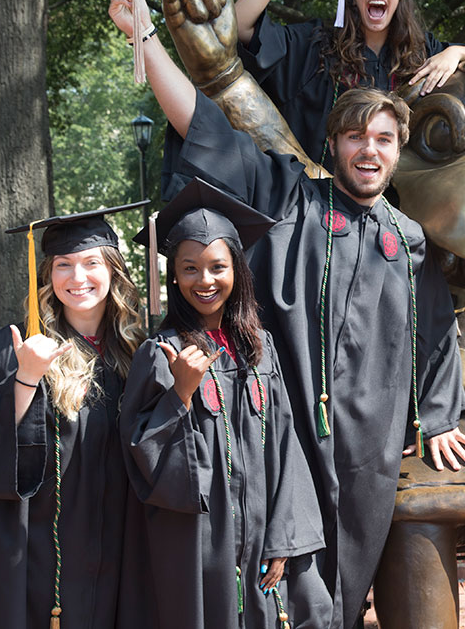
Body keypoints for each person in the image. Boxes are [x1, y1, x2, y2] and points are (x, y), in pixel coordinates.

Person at [110, 0, 465, 629]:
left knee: (343, 596)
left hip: (369, 455)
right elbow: (204, 126)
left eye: (383, 139)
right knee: (285, 598)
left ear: (398, 151)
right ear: (334, 145)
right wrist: (145, 36)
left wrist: (440, 416)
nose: (369, 150)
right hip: (284, 436)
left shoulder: (407, 240)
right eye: (356, 137)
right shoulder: (289, 197)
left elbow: (436, 334)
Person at [129, 0, 465, 169]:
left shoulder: (423, 53)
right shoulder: (316, 46)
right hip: (319, 204)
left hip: (403, 210)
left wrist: (458, 53)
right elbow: (239, 26)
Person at [121, 176, 326, 628]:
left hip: (267, 536)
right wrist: (180, 392)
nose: (205, 280)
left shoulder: (261, 348)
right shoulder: (161, 353)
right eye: (190, 268)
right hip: (201, 546)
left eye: (218, 266)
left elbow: (286, 442)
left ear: (237, 270)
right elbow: (141, 456)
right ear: (174, 275)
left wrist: (285, 536)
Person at [0, 202, 148, 629]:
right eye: (63, 264)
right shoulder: (19, 345)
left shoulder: (136, 351)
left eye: (91, 263)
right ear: (48, 276)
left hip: (120, 537)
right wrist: (27, 378)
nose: (77, 277)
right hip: (40, 544)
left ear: (113, 271)